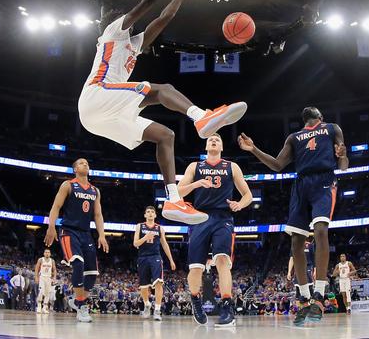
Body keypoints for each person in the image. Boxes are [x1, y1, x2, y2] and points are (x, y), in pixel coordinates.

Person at [79, 0, 248, 225]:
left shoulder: (133, 44)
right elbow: (149, 1)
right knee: (161, 90)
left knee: (165, 135)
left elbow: (164, 17)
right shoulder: (111, 32)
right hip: (97, 96)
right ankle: (200, 116)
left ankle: (172, 199)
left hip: (102, 116)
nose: (129, 19)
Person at [238, 107, 348, 326]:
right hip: (301, 185)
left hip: (324, 181)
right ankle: (305, 299)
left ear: (321, 116)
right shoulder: (293, 137)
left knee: (320, 230)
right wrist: (254, 149)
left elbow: (343, 164)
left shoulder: (331, 128)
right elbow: (278, 165)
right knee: (296, 242)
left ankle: (320, 294)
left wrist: (342, 157)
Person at [178, 133, 253, 327]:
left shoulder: (231, 166)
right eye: (210, 139)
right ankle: (195, 300)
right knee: (196, 268)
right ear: (206, 146)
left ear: (221, 147)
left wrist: (239, 204)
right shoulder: (194, 166)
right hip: (199, 217)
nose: (214, 140)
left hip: (223, 217)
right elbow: (178, 191)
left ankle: (226, 307)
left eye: (218, 139)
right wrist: (196, 183)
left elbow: (248, 195)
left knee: (222, 260)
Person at [44, 158, 110, 322]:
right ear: (74, 169)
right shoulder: (68, 185)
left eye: (87, 163)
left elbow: (98, 215)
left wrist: (102, 235)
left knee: (93, 273)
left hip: (86, 233)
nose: (85, 164)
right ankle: (82, 307)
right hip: (69, 231)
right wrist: (51, 227)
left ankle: (78, 301)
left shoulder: (95, 190)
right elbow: (56, 207)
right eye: (81, 163)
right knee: (78, 264)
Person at [133, 205, 176, 321]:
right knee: (144, 286)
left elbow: (165, 244)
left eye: (152, 212)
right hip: (142, 257)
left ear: (155, 215)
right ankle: (147, 305)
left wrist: (171, 260)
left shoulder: (159, 228)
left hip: (155, 257)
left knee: (158, 282)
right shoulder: (139, 226)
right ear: (145, 215)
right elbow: (135, 243)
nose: (150, 213)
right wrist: (146, 237)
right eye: (148, 212)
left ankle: (157, 309)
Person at [35, 249, 57, 314]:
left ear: (50, 254)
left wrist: (54, 277)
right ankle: (39, 306)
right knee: (41, 292)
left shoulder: (52, 261)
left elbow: (54, 270)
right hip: (42, 277)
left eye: (48, 252)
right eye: (46, 252)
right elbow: (36, 269)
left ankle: (44, 307)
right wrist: (36, 277)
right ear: (44, 253)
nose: (47, 253)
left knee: (47, 293)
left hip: (49, 278)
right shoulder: (41, 260)